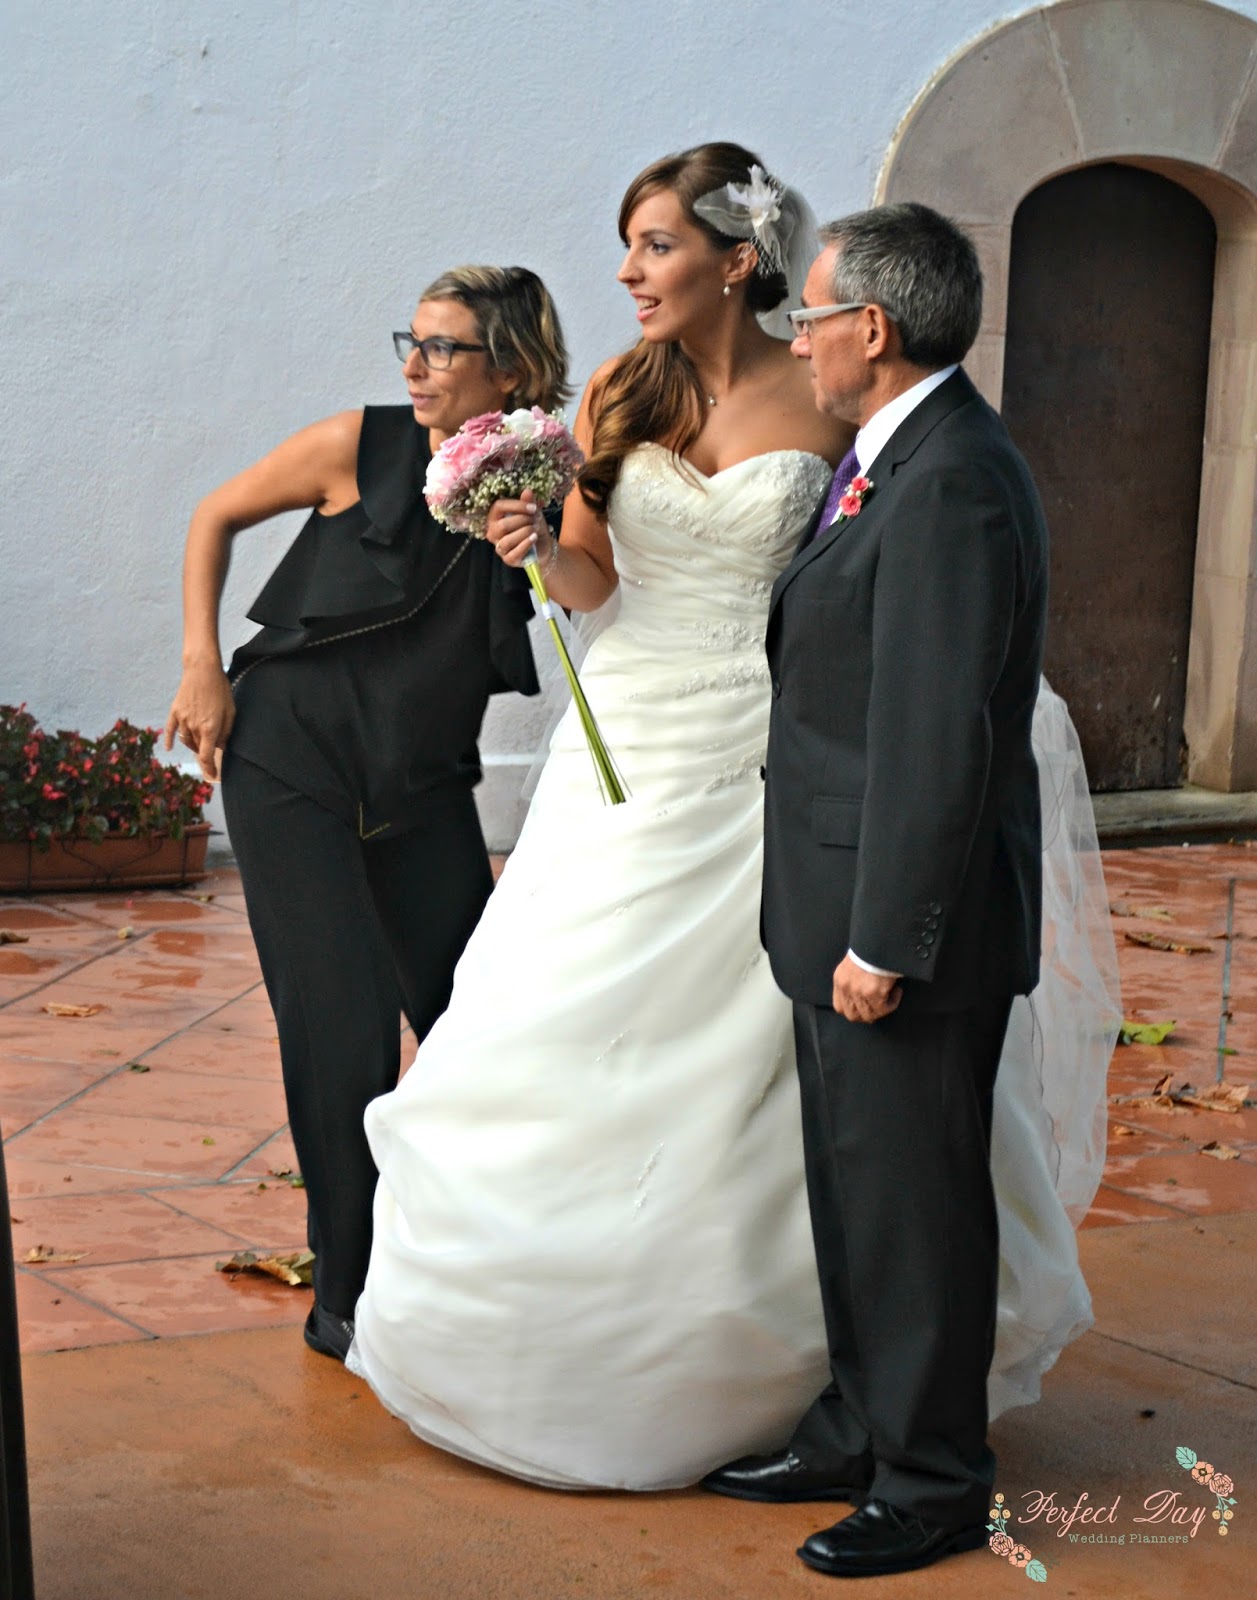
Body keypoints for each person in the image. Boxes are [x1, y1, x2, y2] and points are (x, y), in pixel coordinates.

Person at [348, 147, 1116, 1492]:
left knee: (809, 1073)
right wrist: (536, 544)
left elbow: (882, 598)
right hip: (632, 744)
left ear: (738, 259)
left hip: (772, 752)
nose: (628, 272)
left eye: (655, 244)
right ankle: (600, 1353)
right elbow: (595, 583)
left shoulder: (839, 405)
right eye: (629, 243)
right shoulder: (620, 389)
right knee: (565, 1020)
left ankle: (839, 1390)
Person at [702, 203, 1058, 1580]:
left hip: (903, 929)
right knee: (858, 1193)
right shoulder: (892, 457)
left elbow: (935, 732)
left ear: (873, 326)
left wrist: (886, 938)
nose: (798, 339)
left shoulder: (954, 477)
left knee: (914, 1214)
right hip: (841, 904)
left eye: (810, 315)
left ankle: (932, 1481)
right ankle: (859, 1427)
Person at [164, 267, 570, 1360]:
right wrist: (203, 664)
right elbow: (215, 514)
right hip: (288, 759)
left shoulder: (546, 479)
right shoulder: (359, 442)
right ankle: (343, 1295)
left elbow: (592, 588)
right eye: (412, 341)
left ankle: (479, 1255)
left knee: (478, 1022)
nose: (415, 366)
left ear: (511, 369)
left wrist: (544, 538)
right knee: (341, 1027)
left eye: (443, 347)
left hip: (422, 782)